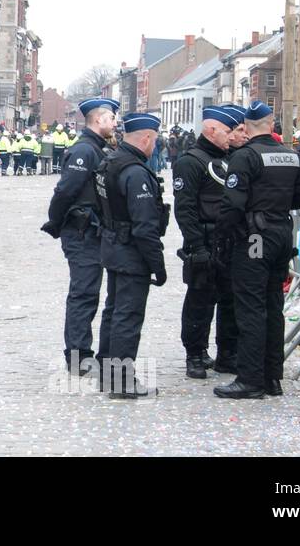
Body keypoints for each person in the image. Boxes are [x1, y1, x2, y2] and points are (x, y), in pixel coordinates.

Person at [215, 102, 300, 399]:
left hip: (253, 237)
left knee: (250, 308)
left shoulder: (245, 157)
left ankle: (250, 378)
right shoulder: (292, 156)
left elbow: (232, 204)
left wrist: (224, 237)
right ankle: (272, 377)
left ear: (246, 126)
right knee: (274, 306)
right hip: (281, 235)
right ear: (271, 124)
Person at [92, 113, 166, 398]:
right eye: (155, 140)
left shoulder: (110, 161)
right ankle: (121, 379)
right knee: (127, 316)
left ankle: (108, 372)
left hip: (113, 245)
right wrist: (157, 265)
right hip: (130, 251)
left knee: (114, 312)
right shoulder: (134, 171)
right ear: (146, 138)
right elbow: (145, 226)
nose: (155, 146)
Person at [42, 98, 119, 374]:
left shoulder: (98, 149)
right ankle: (77, 355)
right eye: (111, 118)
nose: (115, 123)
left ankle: (84, 352)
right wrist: (56, 221)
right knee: (84, 293)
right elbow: (65, 191)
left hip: (95, 231)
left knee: (90, 292)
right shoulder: (85, 151)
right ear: (98, 120)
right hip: (81, 230)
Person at [172, 107, 237, 380]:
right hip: (203, 240)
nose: (230, 137)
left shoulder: (230, 159)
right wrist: (196, 246)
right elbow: (184, 208)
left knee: (229, 300)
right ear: (211, 130)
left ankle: (226, 354)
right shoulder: (191, 162)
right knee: (199, 301)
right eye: (227, 131)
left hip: (227, 241)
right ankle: (195, 354)